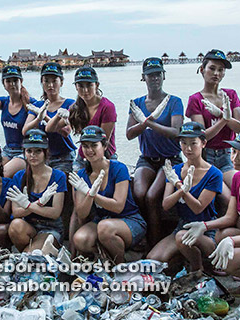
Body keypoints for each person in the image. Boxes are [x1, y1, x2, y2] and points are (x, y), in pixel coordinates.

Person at [180, 130, 240, 295]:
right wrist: (204, 225)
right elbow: (230, 216)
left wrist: (232, 241)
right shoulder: (238, 178)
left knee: (226, 261)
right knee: (220, 237)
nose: (235, 158)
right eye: (234, 152)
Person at [146, 122, 222, 278]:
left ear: (203, 143)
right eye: (184, 143)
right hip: (182, 225)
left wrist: (181, 187)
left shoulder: (214, 173)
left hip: (204, 229)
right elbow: (166, 204)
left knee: (182, 238)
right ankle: (183, 256)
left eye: (193, 143)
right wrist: (179, 186)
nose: (188, 149)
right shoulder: (175, 170)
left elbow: (198, 208)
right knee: (152, 261)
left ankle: (197, 268)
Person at [126, 57, 183, 246]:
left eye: (158, 74)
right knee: (139, 193)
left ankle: (155, 241)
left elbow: (175, 133)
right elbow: (129, 134)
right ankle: (140, 232)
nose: (155, 79)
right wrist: (143, 121)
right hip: (147, 159)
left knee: (152, 196)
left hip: (171, 159)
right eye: (150, 75)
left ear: (164, 75)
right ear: (144, 78)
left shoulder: (174, 101)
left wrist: (148, 121)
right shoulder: (137, 103)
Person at [70, 126, 146, 262]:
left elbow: (118, 206)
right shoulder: (81, 175)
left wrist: (92, 194)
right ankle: (105, 258)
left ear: (104, 146)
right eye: (85, 146)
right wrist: (87, 194)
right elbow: (81, 213)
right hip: (101, 220)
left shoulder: (118, 168)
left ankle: (120, 266)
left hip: (129, 220)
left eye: (94, 145)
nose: (89, 150)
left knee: (105, 228)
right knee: (80, 239)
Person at [186, 49, 240, 194]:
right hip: (206, 156)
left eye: (221, 70)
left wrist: (223, 115)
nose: (216, 73)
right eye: (212, 68)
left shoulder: (230, 95)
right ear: (202, 69)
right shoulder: (196, 99)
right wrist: (224, 119)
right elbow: (203, 136)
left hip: (228, 155)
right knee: (224, 197)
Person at [7, 130, 67, 252]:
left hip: (51, 228)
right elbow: (16, 212)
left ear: (46, 152)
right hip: (29, 225)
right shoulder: (19, 176)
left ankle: (33, 253)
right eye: (29, 151)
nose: (33, 155)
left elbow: (55, 212)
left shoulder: (58, 176)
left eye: (38, 151)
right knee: (15, 226)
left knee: (31, 255)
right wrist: (39, 205)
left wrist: (28, 205)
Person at [23, 62, 77, 174]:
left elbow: (66, 131)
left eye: (54, 81)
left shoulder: (69, 104)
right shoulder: (38, 105)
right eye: (46, 81)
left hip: (63, 156)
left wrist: (46, 118)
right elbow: (25, 130)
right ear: (42, 83)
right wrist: (38, 118)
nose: (50, 85)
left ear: (61, 82)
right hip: (41, 157)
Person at [68, 66, 117, 170]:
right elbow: (56, 128)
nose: (85, 90)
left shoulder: (107, 107)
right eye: (81, 86)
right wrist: (46, 116)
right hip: (83, 156)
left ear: (97, 85)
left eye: (89, 85)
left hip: (105, 155)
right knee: (75, 179)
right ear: (76, 87)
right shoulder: (75, 108)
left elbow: (103, 141)